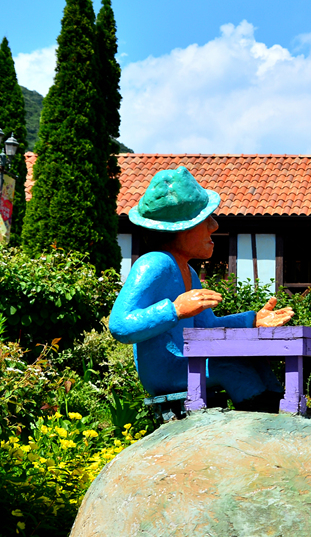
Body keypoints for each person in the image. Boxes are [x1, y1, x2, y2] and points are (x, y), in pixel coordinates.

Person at [109, 166, 294, 411]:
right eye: (204, 220)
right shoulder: (153, 263)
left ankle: (281, 417)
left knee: (254, 361)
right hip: (166, 370)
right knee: (232, 368)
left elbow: (206, 327)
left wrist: (251, 320)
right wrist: (174, 310)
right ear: (180, 228)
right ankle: (262, 424)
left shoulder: (189, 272)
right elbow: (120, 325)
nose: (214, 226)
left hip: (187, 361)